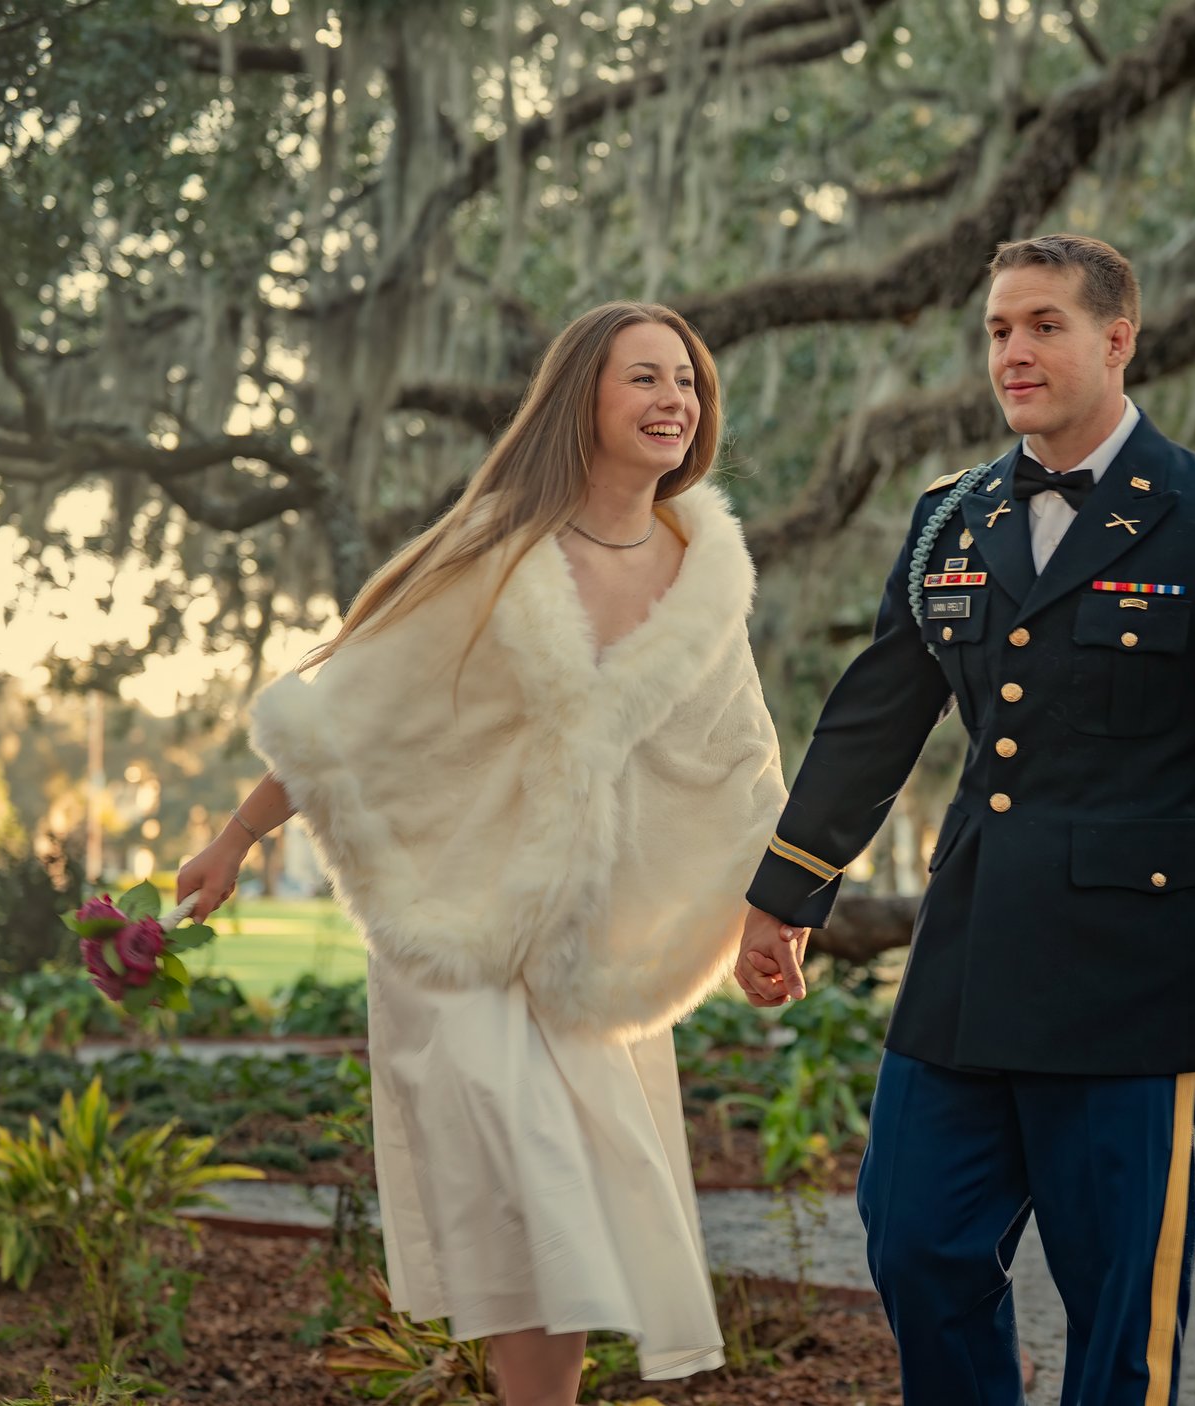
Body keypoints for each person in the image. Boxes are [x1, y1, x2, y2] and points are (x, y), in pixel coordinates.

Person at [735, 234, 1195, 1405]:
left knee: (1120, 1307)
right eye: (997, 330)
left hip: (1134, 976)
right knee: (915, 1240)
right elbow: (873, 719)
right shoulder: (947, 520)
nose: (1012, 351)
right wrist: (786, 891)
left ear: (1117, 339)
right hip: (968, 954)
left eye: (1043, 326)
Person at [176, 301, 790, 1403]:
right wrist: (234, 838)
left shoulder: (706, 577)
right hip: (458, 935)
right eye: (643, 378)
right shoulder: (492, 553)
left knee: (565, 1229)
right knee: (529, 1205)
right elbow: (357, 714)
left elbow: (737, 762)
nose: (673, 401)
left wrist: (767, 914)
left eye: (687, 383)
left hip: (590, 954)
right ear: (581, 401)